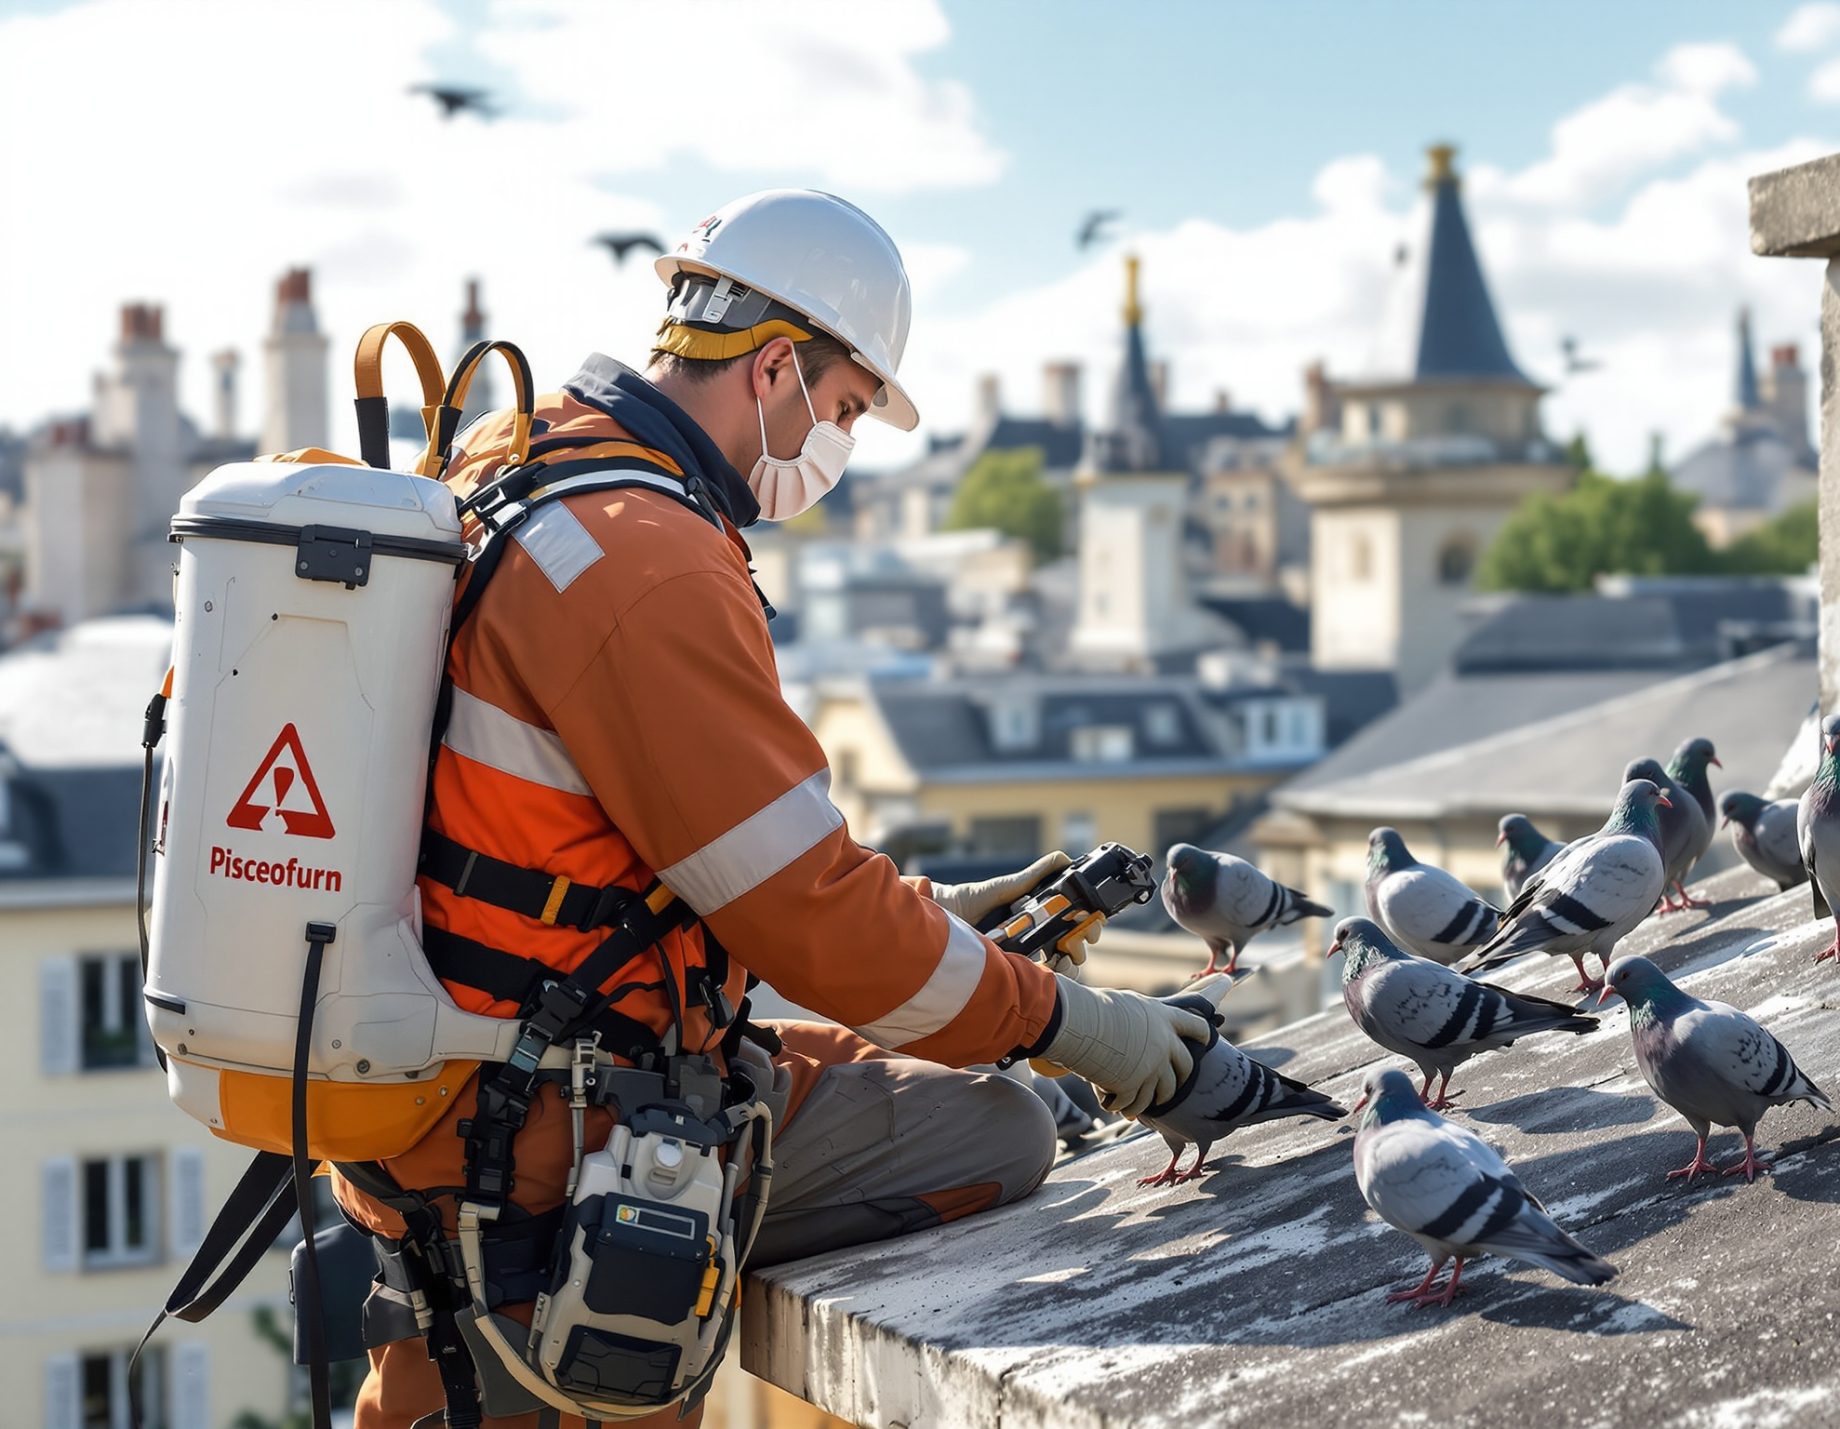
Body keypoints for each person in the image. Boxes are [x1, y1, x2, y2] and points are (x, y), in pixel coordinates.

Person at [334, 189, 1209, 1426]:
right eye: (847, 407)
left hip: (433, 1093)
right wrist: (1075, 1025)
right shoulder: (649, 555)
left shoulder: (509, 457)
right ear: (778, 366)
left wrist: (933, 916)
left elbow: (607, 847)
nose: (838, 446)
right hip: (550, 1137)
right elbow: (804, 915)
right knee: (1003, 1128)